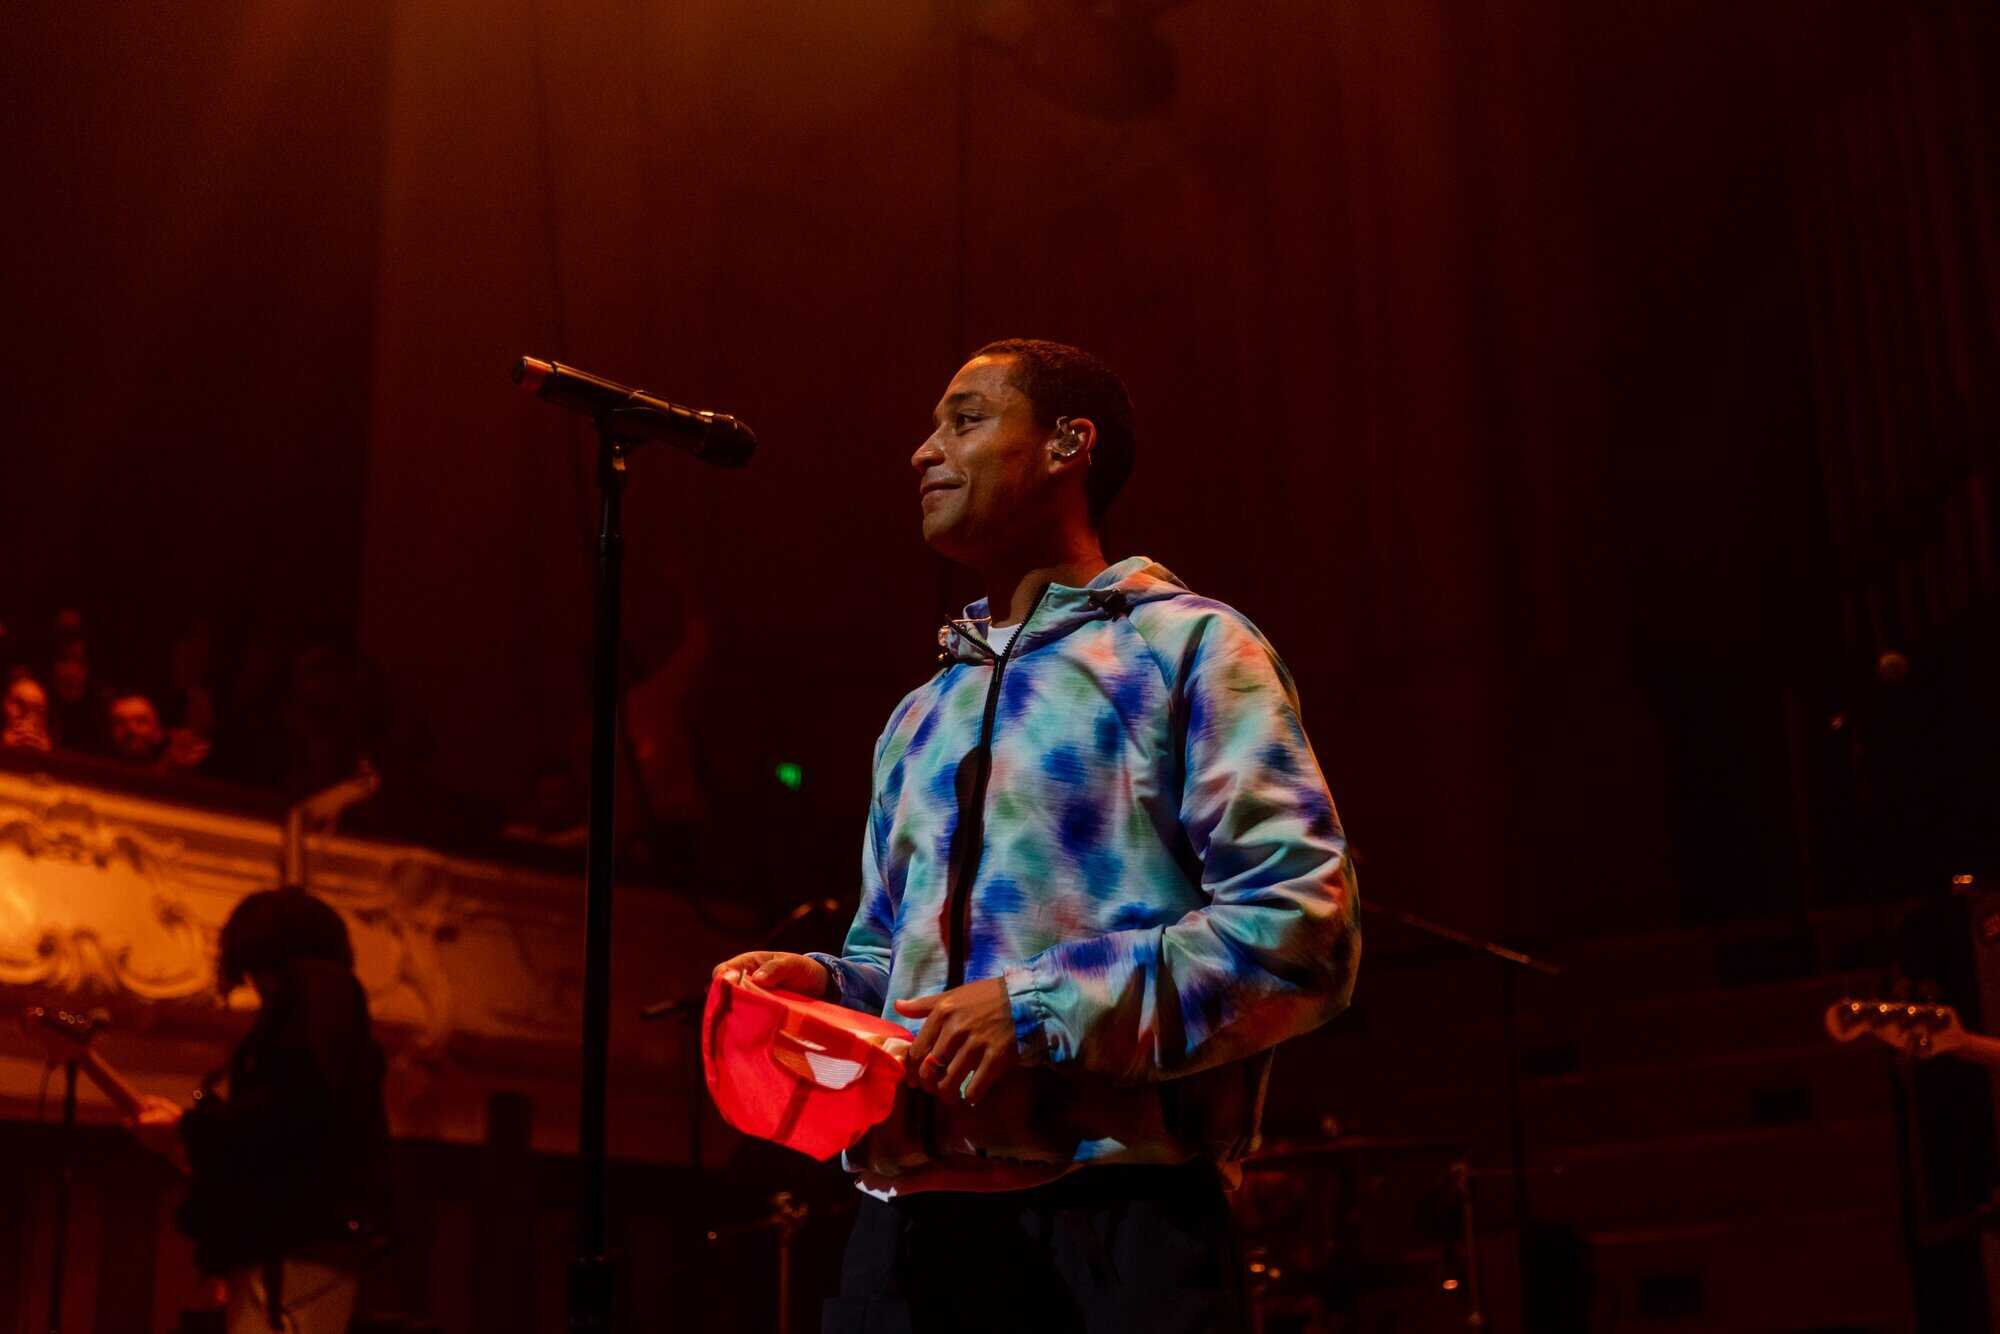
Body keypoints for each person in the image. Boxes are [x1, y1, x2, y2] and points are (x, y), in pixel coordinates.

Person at [713, 339, 1360, 1333]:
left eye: (965, 420)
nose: (924, 450)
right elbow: (897, 973)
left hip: (1118, 1221)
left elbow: (1301, 933)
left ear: (1068, 444)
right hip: (907, 1235)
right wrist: (829, 987)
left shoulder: (1189, 648)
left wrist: (1037, 1006)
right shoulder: (920, 715)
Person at [130, 888, 391, 1333]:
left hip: (294, 1246)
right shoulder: (329, 1000)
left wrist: (192, 1129)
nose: (256, 985)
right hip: (301, 1246)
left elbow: (295, 1109)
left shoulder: (318, 989)